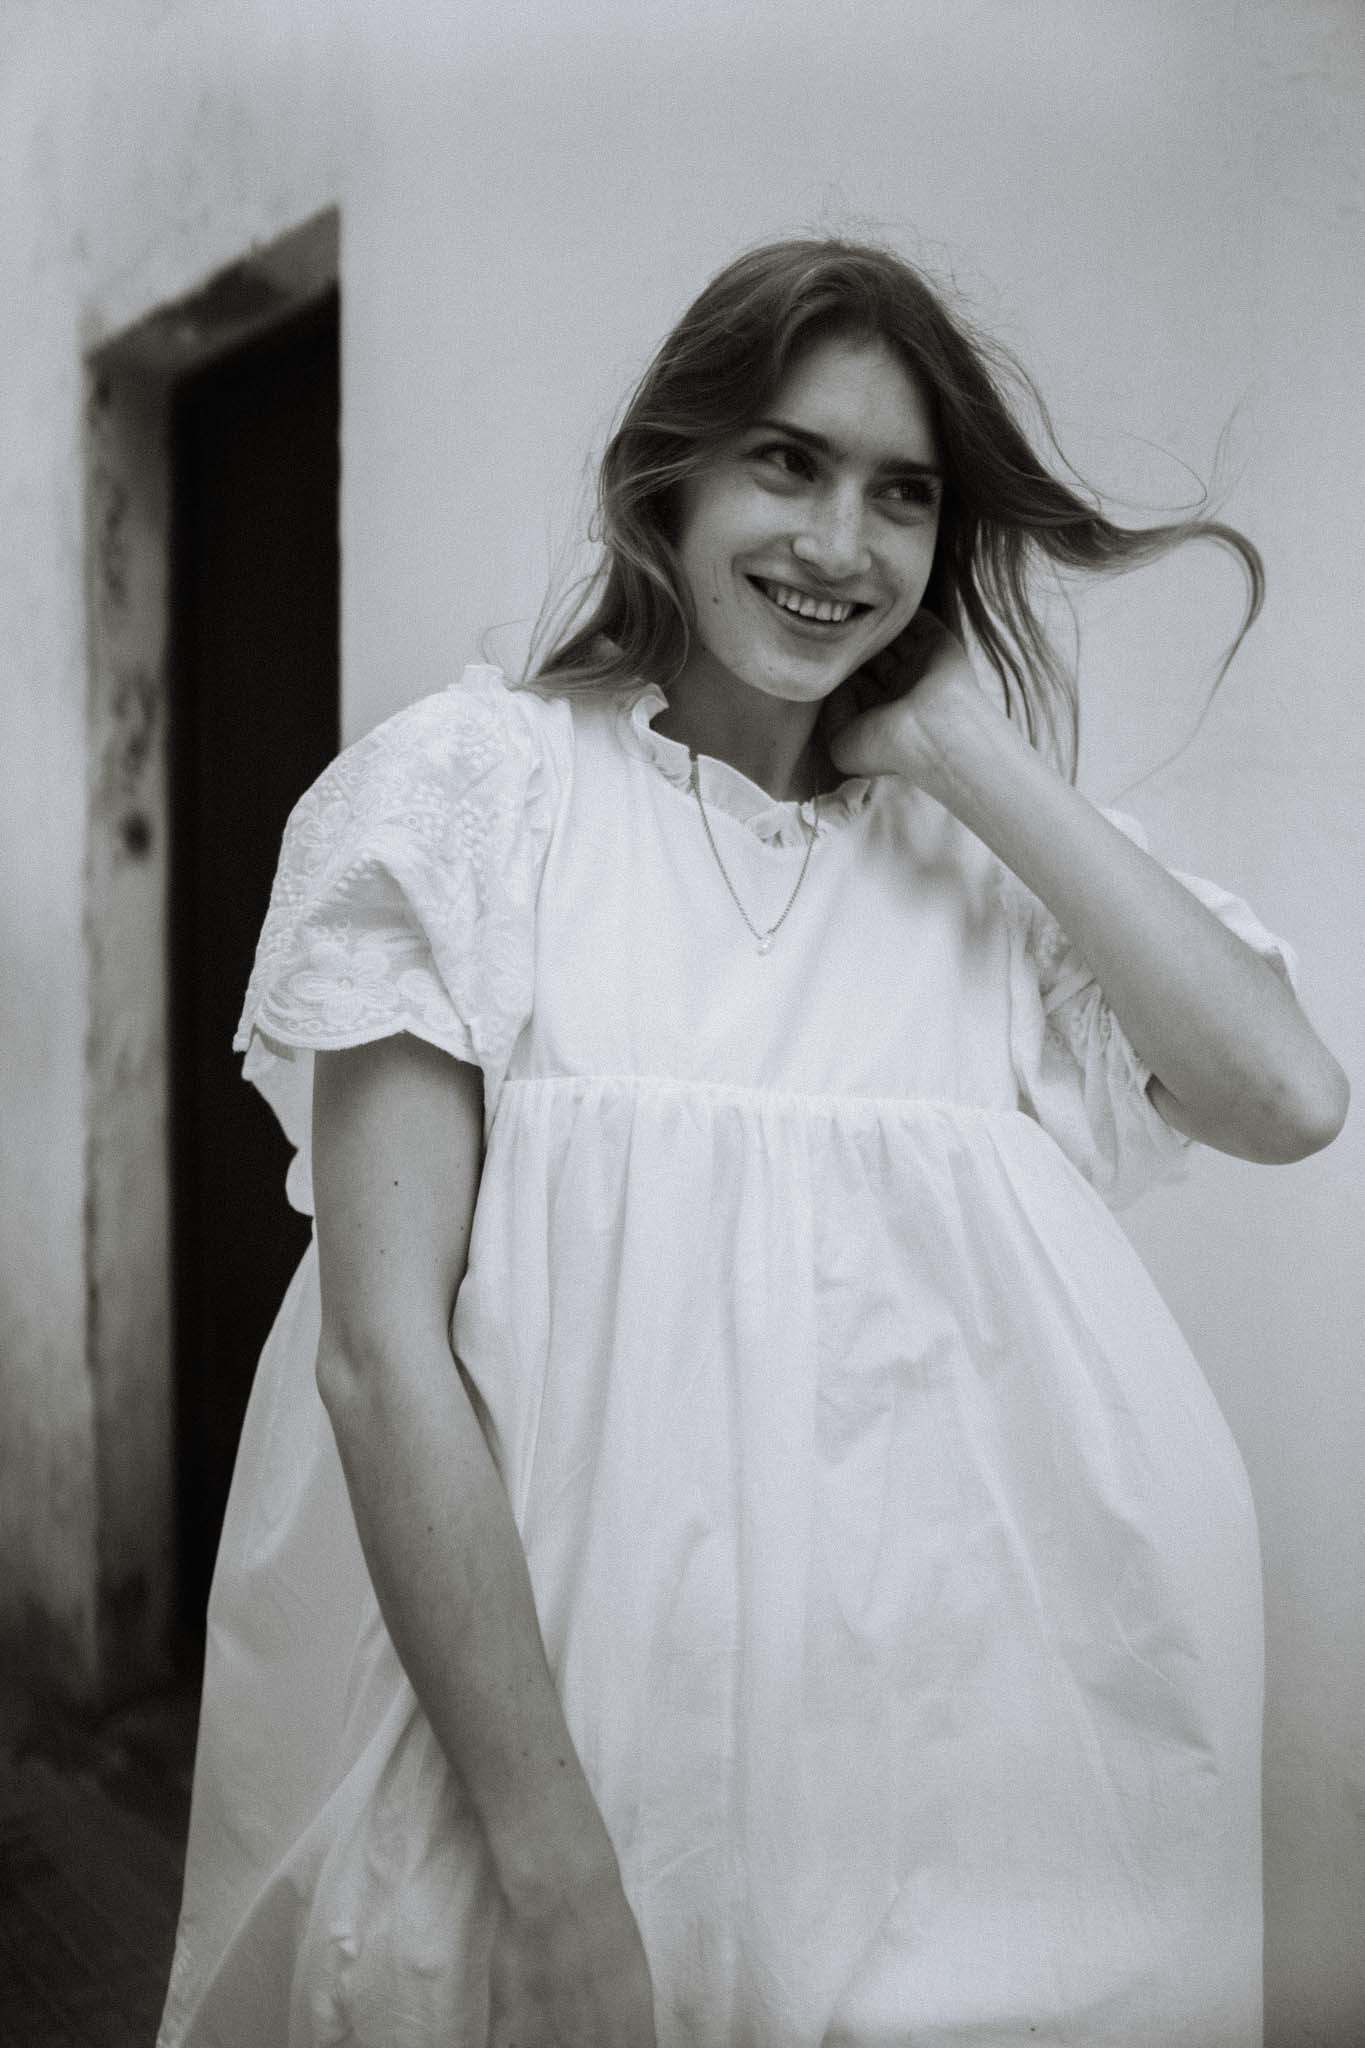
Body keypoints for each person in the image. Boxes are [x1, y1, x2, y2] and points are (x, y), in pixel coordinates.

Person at [159, 237, 1348, 2048]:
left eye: (902, 494)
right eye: (786, 463)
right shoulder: (478, 794)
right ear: (673, 473)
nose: (837, 543)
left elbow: (1285, 1098)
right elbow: (380, 1362)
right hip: (553, 1784)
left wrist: (964, 756)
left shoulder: (976, 876)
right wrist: (554, 1871)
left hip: (973, 1806)